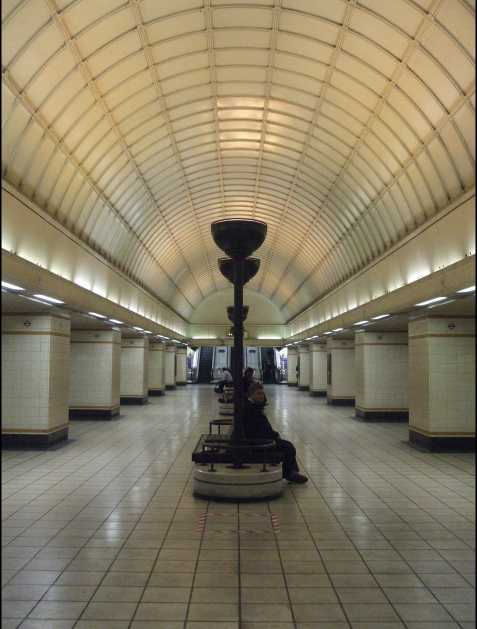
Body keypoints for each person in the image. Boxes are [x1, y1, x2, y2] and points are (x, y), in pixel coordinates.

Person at [242, 381, 308, 484]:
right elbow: (260, 430)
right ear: (251, 394)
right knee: (288, 447)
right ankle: (289, 472)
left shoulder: (251, 406)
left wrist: (273, 434)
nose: (262, 396)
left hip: (258, 439)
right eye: (259, 393)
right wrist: (274, 435)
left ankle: (292, 471)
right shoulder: (251, 410)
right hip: (258, 443)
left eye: (262, 393)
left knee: (287, 445)